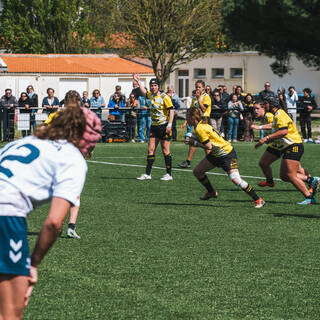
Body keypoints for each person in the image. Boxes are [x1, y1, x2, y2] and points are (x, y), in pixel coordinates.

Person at [0, 103, 101, 320]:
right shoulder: (72, 158)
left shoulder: (22, 142)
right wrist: (33, 264)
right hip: (6, 217)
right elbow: (54, 222)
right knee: (10, 312)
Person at [185, 106, 265, 208]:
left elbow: (208, 146)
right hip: (216, 153)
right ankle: (211, 192)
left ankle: (258, 199)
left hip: (226, 154)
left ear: (192, 117)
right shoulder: (201, 125)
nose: (186, 119)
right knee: (198, 171)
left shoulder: (200, 128)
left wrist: (194, 142)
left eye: (187, 116)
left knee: (235, 178)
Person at [252, 98, 319, 204]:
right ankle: (311, 180)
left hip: (294, 145)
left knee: (291, 175)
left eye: (266, 104)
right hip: (288, 146)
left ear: (271, 104)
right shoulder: (277, 114)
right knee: (284, 176)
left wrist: (267, 138)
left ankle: (309, 197)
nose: (265, 106)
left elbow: (284, 131)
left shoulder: (279, 114)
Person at [134, 73, 175, 181]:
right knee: (150, 150)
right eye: (152, 86)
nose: (153, 87)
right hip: (154, 126)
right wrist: (138, 81)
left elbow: (171, 110)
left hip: (163, 126)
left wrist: (169, 124)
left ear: (158, 86)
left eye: (155, 85)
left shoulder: (164, 97)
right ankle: (148, 174)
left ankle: (168, 174)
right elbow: (144, 91)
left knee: (165, 150)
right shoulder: (151, 95)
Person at [179, 80, 211, 168]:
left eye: (199, 87)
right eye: (196, 87)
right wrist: (186, 122)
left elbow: (204, 109)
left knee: (202, 142)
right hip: (197, 122)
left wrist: (198, 99)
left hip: (204, 121)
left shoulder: (206, 97)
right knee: (196, 141)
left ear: (203, 88)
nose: (197, 88)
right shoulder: (194, 97)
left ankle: (211, 160)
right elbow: (192, 111)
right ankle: (189, 162)